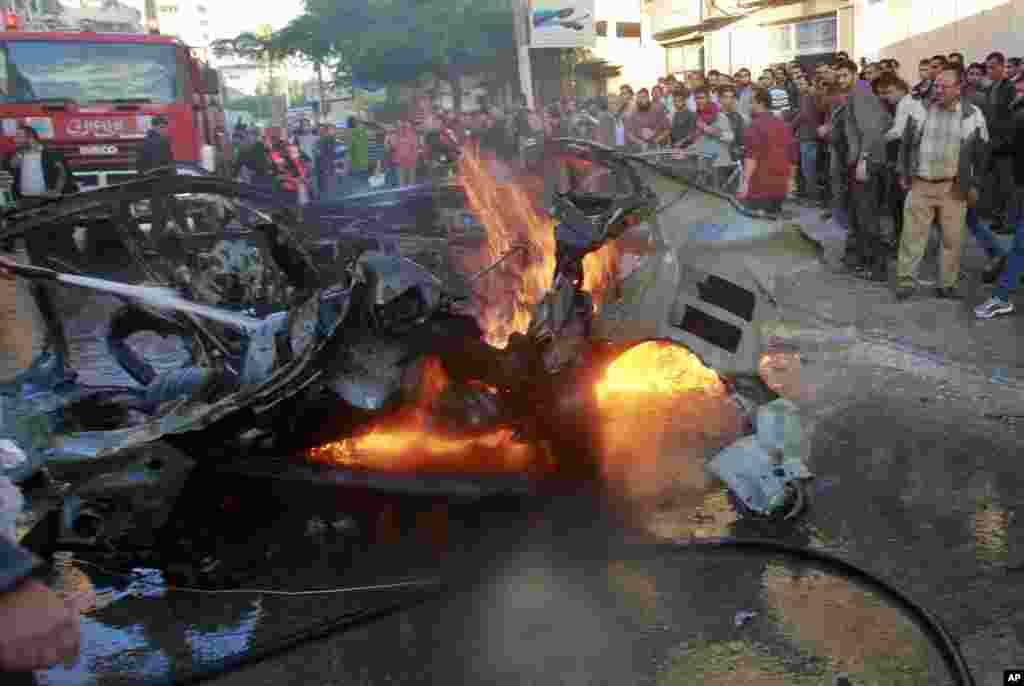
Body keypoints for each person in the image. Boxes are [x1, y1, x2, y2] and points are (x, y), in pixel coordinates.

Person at [893, 66, 988, 301]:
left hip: (953, 187)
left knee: (952, 239)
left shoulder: (972, 114)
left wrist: (974, 184)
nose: (939, 90)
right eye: (936, 85)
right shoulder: (919, 109)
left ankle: (947, 284)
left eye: (945, 86)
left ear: (958, 88)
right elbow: (905, 144)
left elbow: (982, 153)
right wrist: (904, 173)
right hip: (920, 184)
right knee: (912, 237)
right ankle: (906, 281)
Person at [834, 59, 893, 281]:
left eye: (844, 76)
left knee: (867, 215)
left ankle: (877, 267)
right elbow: (885, 121)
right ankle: (864, 260)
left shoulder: (861, 94)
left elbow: (870, 130)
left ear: (853, 74)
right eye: (838, 76)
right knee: (861, 215)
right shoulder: (858, 94)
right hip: (864, 160)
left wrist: (864, 159)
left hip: (865, 162)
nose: (840, 80)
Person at [736, 87, 794, 215]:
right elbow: (792, 156)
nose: (750, 105)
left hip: (760, 187)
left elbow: (751, 157)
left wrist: (745, 183)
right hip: (780, 187)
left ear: (760, 103)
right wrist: (790, 181)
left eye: (751, 102)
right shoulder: (783, 124)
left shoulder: (754, 126)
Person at [982, 52, 1017, 233]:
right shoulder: (990, 88)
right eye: (988, 67)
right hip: (991, 144)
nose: (990, 70)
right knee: (995, 185)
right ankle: (998, 218)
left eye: (993, 66)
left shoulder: (1009, 88)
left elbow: (1011, 118)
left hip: (1005, 145)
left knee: (1007, 185)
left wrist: (1005, 140)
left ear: (1003, 66)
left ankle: (1009, 223)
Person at [4, 124, 72, 205]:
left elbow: (63, 173)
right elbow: (10, 168)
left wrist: (57, 190)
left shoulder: (51, 154)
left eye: (18, 136)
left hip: (46, 200)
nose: (15, 140)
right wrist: (19, 154)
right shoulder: (15, 154)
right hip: (23, 200)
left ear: (30, 138)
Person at [347, 117, 370, 189]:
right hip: (365, 163)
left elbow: (350, 150)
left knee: (357, 185)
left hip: (356, 164)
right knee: (364, 183)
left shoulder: (351, 134)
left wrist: (347, 165)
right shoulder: (364, 133)